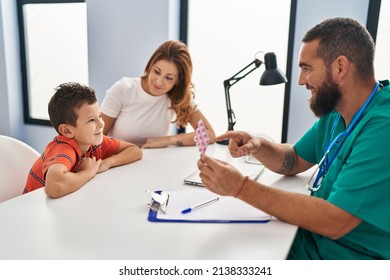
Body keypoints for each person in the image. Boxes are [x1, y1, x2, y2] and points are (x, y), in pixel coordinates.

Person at [197, 17, 390, 259]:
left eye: (306, 68)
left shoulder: (383, 126)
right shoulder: (337, 113)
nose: (300, 80)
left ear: (340, 67)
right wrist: (257, 145)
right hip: (310, 239)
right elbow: (295, 158)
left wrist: (240, 187)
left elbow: (335, 220)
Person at [24, 82, 142, 198]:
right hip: (33, 209)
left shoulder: (94, 142)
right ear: (67, 131)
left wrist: (107, 163)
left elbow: (134, 150)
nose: (101, 124)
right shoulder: (64, 148)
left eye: (99, 116)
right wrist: (89, 172)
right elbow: (54, 187)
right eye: (91, 120)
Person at [100, 40, 215, 148]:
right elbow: (97, 138)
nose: (159, 82)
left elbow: (209, 135)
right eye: (157, 71)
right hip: (118, 161)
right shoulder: (124, 89)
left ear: (178, 81)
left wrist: (169, 140)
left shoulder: (177, 97)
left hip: (155, 163)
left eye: (169, 78)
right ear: (150, 65)